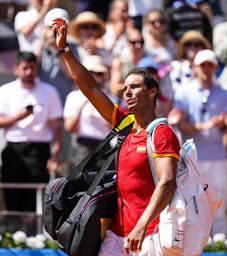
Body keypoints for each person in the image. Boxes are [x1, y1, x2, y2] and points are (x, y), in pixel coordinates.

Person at [52, 17, 180, 254]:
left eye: (135, 87)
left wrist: (142, 226)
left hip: (149, 235)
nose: (127, 92)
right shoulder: (126, 122)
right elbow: (89, 88)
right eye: (124, 89)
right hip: (117, 234)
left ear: (153, 92)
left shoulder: (162, 132)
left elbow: (168, 183)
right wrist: (65, 50)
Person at [169, 49, 227, 236]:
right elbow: (180, 124)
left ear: (215, 68)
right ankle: (192, 241)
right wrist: (205, 125)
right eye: (202, 65)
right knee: (191, 201)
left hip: (216, 155)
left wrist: (224, 123)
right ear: (195, 67)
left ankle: (220, 242)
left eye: (210, 65)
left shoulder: (223, 93)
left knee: (219, 198)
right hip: (192, 156)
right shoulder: (183, 91)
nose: (206, 69)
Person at [0, 51, 62, 230]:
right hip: (14, 148)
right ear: (16, 69)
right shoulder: (5, 91)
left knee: (37, 195)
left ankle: (34, 236)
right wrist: (20, 116)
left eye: (32, 67)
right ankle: (14, 236)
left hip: (40, 149)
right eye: (24, 68)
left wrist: (55, 154)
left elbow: (56, 126)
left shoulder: (49, 91)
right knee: (13, 195)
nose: (28, 72)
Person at [63, 55, 112, 170]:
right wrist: (87, 99)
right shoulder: (74, 97)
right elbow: (70, 127)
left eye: (99, 74)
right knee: (80, 184)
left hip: (105, 146)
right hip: (82, 146)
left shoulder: (111, 98)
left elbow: (114, 127)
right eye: (91, 73)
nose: (95, 77)